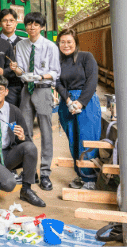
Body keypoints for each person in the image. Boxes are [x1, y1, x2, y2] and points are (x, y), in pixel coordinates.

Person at [0, 75, 45, 207]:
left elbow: (27, 138)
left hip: (7, 152)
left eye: (0, 89)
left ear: (6, 91)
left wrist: (22, 137)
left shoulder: (14, 111)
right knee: (9, 184)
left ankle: (26, 190)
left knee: (30, 147)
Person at [12, 12, 61, 192]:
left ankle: (46, 173)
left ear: (42, 27)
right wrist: (16, 70)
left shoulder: (50, 46)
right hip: (27, 90)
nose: (32, 27)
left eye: (36, 24)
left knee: (46, 132)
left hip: (43, 89)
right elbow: (21, 70)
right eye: (29, 24)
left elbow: (56, 71)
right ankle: (30, 172)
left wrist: (40, 76)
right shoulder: (20, 45)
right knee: (26, 133)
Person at [55, 29, 101, 191]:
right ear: (58, 43)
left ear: (76, 43)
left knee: (87, 139)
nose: (66, 45)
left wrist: (80, 103)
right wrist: (68, 101)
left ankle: (90, 179)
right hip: (67, 103)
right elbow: (58, 82)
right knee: (73, 141)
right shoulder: (57, 61)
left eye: (69, 42)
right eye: (62, 42)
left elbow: (92, 81)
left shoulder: (86, 57)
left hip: (86, 103)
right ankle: (81, 175)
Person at [0, 9, 23, 107]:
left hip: (20, 85)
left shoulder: (23, 43)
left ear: (16, 23)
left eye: (11, 21)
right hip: (0, 85)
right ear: (0, 23)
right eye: (5, 21)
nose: (8, 24)